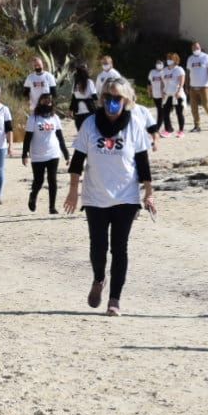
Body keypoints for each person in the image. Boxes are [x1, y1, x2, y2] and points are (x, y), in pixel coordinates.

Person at [64, 77, 153, 315]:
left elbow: (143, 162)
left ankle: (114, 300)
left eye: (118, 98)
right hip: (95, 196)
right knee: (98, 246)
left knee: (120, 248)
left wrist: (149, 194)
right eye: (108, 98)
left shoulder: (134, 124)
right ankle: (98, 278)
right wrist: (74, 191)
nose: (113, 102)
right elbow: (77, 161)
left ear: (127, 100)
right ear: (102, 99)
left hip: (126, 196)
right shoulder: (90, 125)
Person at [21, 94, 71, 213]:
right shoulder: (33, 118)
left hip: (53, 153)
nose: (47, 104)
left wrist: (66, 154)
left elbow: (60, 137)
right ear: (40, 103)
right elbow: (27, 138)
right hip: (37, 155)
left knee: (52, 180)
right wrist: (24, 154)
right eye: (44, 101)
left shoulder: (55, 118)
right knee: (39, 181)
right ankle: (33, 196)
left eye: (49, 102)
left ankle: (52, 207)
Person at [186, 41, 208, 131]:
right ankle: (197, 125)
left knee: (205, 104)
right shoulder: (190, 59)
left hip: (204, 86)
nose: (195, 49)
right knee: (193, 107)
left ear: (200, 48)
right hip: (193, 87)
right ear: (191, 49)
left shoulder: (206, 57)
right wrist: (187, 86)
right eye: (194, 48)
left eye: (197, 47)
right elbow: (188, 73)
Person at [158, 53, 186, 137]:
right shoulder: (164, 70)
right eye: (168, 58)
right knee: (165, 112)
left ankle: (181, 131)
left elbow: (182, 81)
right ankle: (168, 129)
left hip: (177, 94)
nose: (168, 60)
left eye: (170, 59)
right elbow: (162, 82)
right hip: (168, 94)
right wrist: (162, 91)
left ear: (175, 60)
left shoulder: (179, 69)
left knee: (179, 112)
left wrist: (179, 91)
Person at [70, 63, 97, 131]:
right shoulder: (89, 82)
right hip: (89, 110)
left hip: (78, 112)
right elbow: (94, 97)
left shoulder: (76, 83)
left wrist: (70, 110)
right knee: (90, 131)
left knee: (80, 132)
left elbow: (74, 98)